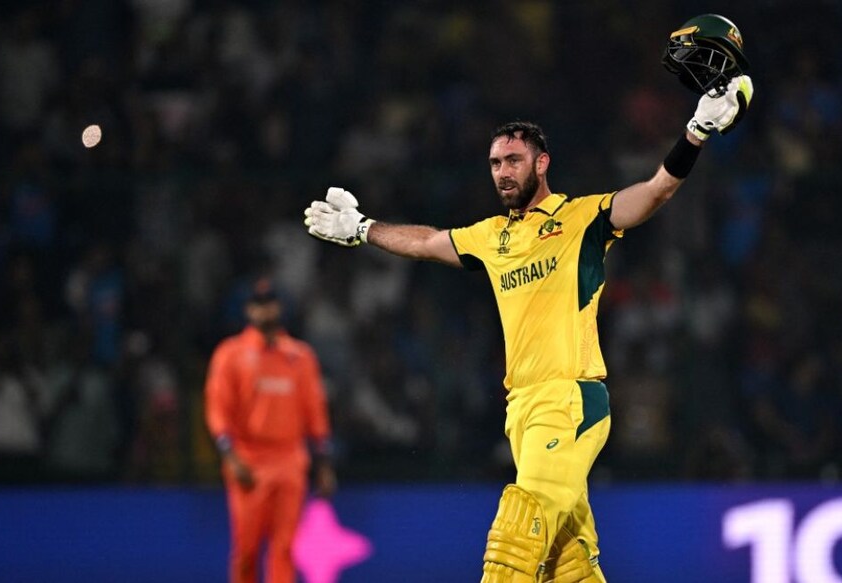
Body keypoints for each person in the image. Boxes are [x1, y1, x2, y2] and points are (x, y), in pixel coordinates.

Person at [304, 48, 753, 583]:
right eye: (495, 163)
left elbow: (657, 190)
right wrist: (363, 229)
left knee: (516, 537)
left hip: (568, 398)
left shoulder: (581, 218)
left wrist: (696, 133)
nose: (502, 172)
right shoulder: (492, 237)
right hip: (523, 408)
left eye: (513, 160)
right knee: (569, 566)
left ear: (541, 163)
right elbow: (426, 241)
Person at [204, 278, 336, 583]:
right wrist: (231, 456)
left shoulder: (300, 356)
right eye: (259, 304)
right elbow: (217, 410)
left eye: (271, 303)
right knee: (246, 551)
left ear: (280, 307)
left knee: (285, 548)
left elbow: (315, 413)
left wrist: (324, 463)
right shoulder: (230, 354)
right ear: (249, 310)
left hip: (290, 460)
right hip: (249, 459)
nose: (266, 311)